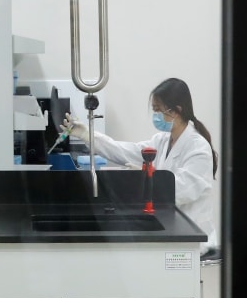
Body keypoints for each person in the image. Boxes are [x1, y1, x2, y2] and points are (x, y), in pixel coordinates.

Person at [63, 77, 219, 250]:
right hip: (171, 224)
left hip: (194, 237)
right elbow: (127, 152)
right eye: (154, 110)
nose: (155, 115)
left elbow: (182, 190)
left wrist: (147, 177)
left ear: (176, 111)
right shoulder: (162, 140)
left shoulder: (198, 148)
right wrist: (88, 135)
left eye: (158, 110)